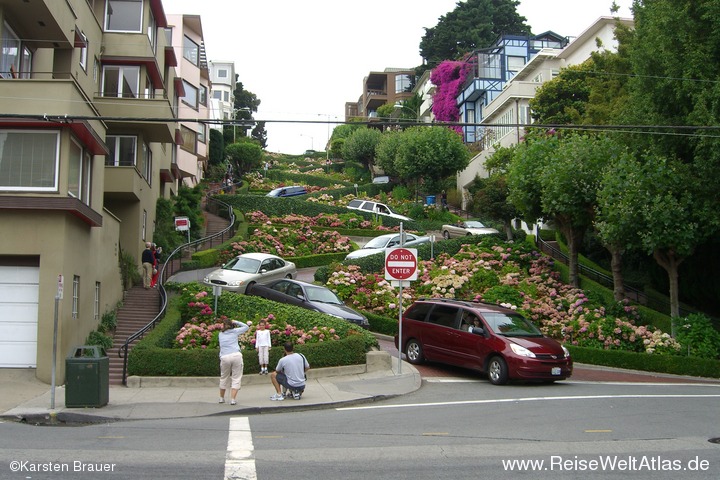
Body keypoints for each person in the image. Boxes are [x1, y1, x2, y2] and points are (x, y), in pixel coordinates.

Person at [218, 318, 250, 405]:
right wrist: (235, 321)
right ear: (232, 325)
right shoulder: (235, 331)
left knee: (224, 377)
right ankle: (232, 399)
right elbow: (246, 327)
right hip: (236, 355)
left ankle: (221, 398)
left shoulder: (220, 334)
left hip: (224, 356)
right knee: (236, 377)